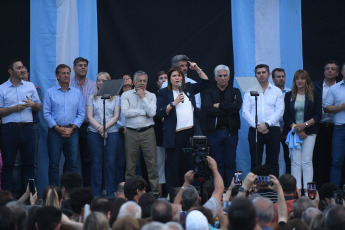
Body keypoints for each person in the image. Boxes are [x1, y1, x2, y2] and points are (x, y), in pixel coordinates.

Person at [156, 62, 209, 200]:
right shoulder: (164, 92)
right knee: (173, 165)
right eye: (174, 76)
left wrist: (197, 68)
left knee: (191, 163)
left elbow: (205, 83)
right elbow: (160, 112)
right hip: (174, 134)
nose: (177, 78)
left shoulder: (189, 88)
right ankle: (172, 195)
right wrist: (173, 103)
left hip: (191, 132)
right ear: (169, 79)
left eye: (179, 76)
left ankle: (192, 194)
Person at [0, 58, 41, 192]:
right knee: (9, 165)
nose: (22, 70)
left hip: (28, 128)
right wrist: (13, 109)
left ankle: (31, 196)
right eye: (18, 68)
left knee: (30, 165)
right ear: (10, 71)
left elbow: (39, 106)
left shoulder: (30, 86)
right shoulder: (2, 88)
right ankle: (8, 196)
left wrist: (33, 104)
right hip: (9, 129)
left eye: (22, 67)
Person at [43, 64, 84, 186]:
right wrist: (57, 128)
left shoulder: (77, 93)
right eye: (63, 73)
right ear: (57, 76)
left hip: (73, 131)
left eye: (68, 73)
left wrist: (72, 128)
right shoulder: (50, 92)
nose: (66, 75)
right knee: (54, 164)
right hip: (55, 132)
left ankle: (71, 193)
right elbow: (46, 113)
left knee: (72, 164)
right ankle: (54, 193)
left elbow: (81, 113)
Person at [242, 64, 284, 177]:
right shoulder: (249, 91)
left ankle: (272, 187)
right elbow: (245, 112)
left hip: (273, 129)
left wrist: (267, 124)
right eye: (258, 73)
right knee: (255, 160)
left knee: (273, 160)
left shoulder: (276, 91)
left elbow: (280, 110)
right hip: (255, 130)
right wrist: (258, 126)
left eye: (263, 72)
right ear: (255, 76)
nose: (261, 75)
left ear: (269, 74)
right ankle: (255, 187)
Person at [203, 64, 242, 187]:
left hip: (231, 133)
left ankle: (234, 189)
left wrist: (219, 105)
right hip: (215, 133)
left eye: (225, 76)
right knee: (217, 163)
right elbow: (208, 110)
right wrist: (228, 108)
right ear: (215, 78)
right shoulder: (209, 92)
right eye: (219, 76)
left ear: (229, 77)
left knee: (231, 162)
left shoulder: (236, 91)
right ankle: (219, 189)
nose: (222, 78)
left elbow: (236, 108)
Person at [121, 70, 159, 195]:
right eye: (140, 81)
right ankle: (130, 193)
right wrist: (143, 112)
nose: (142, 83)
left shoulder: (151, 95)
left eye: (144, 81)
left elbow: (152, 113)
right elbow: (126, 113)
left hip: (148, 132)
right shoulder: (125, 95)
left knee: (152, 164)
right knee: (130, 165)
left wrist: (143, 97)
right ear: (134, 82)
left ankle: (154, 191)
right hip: (131, 132)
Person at [283, 70, 322, 192]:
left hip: (310, 132)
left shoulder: (315, 94)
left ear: (307, 80)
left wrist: (305, 125)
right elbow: (286, 116)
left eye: (302, 78)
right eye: (297, 79)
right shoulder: (289, 95)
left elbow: (318, 115)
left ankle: (308, 190)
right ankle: (297, 190)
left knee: (306, 161)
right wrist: (297, 128)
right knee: (295, 162)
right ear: (294, 81)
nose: (300, 81)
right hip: (295, 132)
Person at [87, 72, 120, 197]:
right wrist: (100, 129)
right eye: (98, 80)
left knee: (111, 163)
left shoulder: (116, 97)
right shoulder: (92, 97)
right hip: (94, 132)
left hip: (112, 133)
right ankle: (96, 193)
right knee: (96, 163)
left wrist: (105, 128)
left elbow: (116, 116)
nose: (100, 83)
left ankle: (110, 192)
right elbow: (89, 116)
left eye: (103, 80)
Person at [70, 57, 96, 187]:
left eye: (85, 65)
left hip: (88, 126)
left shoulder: (92, 85)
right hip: (72, 127)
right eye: (80, 65)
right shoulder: (68, 84)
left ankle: (87, 189)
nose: (83, 67)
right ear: (74, 68)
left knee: (88, 159)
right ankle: (71, 189)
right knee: (71, 160)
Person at [313, 61, 339, 189]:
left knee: (335, 159)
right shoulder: (315, 87)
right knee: (318, 159)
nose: (330, 71)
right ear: (324, 72)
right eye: (327, 69)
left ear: (338, 73)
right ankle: (320, 188)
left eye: (333, 69)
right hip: (320, 127)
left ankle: (334, 188)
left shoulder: (341, 87)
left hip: (337, 127)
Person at [324, 62, 345, 187]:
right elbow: (326, 108)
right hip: (339, 128)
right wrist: (342, 107)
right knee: (337, 161)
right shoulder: (334, 88)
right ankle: (334, 192)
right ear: (341, 72)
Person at [272, 68, 291, 174]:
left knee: (289, 157)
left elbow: (292, 112)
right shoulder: (269, 93)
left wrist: (285, 127)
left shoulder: (291, 92)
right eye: (278, 77)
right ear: (273, 79)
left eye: (283, 76)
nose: (281, 79)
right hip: (273, 128)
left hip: (287, 129)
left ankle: (288, 184)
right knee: (272, 157)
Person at [154, 71, 168, 196]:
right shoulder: (154, 96)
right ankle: (160, 195)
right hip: (159, 135)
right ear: (157, 82)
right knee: (159, 165)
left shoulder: (174, 94)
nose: (163, 80)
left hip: (174, 135)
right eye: (161, 78)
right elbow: (156, 115)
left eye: (165, 78)